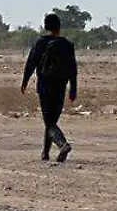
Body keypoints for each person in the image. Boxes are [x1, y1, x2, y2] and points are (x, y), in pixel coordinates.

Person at [21, 13, 78, 163]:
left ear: (46, 26)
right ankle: (45, 153)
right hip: (61, 85)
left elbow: (31, 62)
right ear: (59, 26)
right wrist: (73, 89)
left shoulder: (41, 42)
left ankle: (62, 144)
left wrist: (25, 81)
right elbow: (73, 69)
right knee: (51, 120)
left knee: (49, 122)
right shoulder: (67, 44)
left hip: (45, 85)